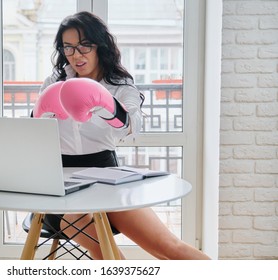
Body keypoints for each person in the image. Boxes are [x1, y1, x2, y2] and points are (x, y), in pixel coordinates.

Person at [33, 11, 210, 260]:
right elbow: (34, 131)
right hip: (59, 183)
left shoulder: (120, 85)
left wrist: (108, 106)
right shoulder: (54, 81)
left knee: (169, 247)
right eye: (69, 48)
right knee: (102, 247)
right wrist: (38, 113)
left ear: (99, 46)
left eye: (84, 46)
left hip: (105, 177)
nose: (76, 55)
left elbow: (132, 127)